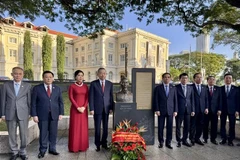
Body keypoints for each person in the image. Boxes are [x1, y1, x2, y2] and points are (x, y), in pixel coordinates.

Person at [31, 71, 64, 158]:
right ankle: (42, 150)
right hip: (42, 115)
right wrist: (34, 115)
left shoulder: (57, 88)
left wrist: (61, 113)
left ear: (53, 78)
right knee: (43, 133)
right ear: (43, 78)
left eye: (50, 77)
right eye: (46, 77)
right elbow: (33, 103)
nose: (48, 78)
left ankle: (52, 149)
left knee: (53, 133)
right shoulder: (37, 88)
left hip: (54, 114)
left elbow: (60, 102)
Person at [1, 67, 31, 160]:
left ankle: (23, 151)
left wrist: (30, 113)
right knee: (12, 134)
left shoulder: (27, 86)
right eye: (15, 73)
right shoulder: (5, 85)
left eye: (20, 74)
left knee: (24, 134)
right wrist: (2, 114)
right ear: (12, 74)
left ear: (23, 75)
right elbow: (2, 100)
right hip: (10, 113)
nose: (17, 75)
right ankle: (14, 152)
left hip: (23, 113)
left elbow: (29, 100)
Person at [89, 68, 114, 152]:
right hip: (97, 109)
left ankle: (104, 143)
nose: (102, 75)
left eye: (104, 73)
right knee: (97, 128)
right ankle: (97, 144)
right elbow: (91, 97)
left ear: (106, 74)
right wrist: (91, 108)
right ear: (98, 74)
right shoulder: (93, 84)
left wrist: (111, 107)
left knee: (106, 128)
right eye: (101, 73)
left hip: (106, 109)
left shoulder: (110, 84)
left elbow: (111, 97)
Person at [154, 73, 178, 149]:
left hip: (171, 110)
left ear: (170, 79)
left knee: (170, 127)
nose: (167, 79)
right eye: (165, 77)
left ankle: (169, 142)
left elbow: (175, 100)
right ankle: (161, 142)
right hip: (161, 110)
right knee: (160, 127)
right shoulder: (158, 88)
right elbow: (156, 100)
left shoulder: (173, 88)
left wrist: (175, 110)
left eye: (168, 77)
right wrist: (157, 109)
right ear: (162, 78)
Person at [68, 70, 89, 152]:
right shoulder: (72, 86)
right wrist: (77, 107)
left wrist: (84, 107)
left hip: (84, 110)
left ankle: (82, 146)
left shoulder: (86, 86)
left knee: (83, 128)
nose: (80, 77)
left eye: (82, 75)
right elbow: (71, 97)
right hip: (75, 109)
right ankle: (74, 147)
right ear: (75, 77)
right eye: (79, 75)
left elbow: (87, 98)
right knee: (75, 128)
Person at [175, 73, 195, 148]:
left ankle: (184, 140)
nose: (184, 79)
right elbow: (175, 100)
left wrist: (193, 110)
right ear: (180, 79)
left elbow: (192, 99)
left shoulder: (190, 88)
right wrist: (175, 110)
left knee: (187, 126)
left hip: (188, 110)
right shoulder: (176, 87)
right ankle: (178, 141)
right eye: (183, 78)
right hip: (179, 110)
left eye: (186, 78)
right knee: (178, 126)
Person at [220, 73, 239, 146]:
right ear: (224, 79)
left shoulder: (236, 89)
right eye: (226, 78)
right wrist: (219, 109)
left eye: (229, 78)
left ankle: (231, 140)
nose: (228, 79)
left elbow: (238, 100)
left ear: (232, 79)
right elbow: (219, 100)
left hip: (233, 110)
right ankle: (223, 139)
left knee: (232, 125)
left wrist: (237, 110)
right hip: (223, 110)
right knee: (222, 125)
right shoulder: (220, 88)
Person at [190, 73, 209, 146]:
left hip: (202, 109)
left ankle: (197, 138)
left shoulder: (204, 87)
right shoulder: (190, 87)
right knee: (193, 125)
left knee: (200, 125)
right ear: (194, 79)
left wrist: (206, 107)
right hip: (194, 110)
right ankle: (192, 139)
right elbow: (190, 99)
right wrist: (192, 109)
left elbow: (206, 99)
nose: (199, 79)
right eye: (197, 77)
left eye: (201, 77)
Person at [203, 76, 222, 145]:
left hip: (215, 110)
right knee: (205, 125)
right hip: (206, 110)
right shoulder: (204, 88)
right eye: (210, 79)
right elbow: (203, 99)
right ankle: (205, 138)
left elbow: (220, 100)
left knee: (214, 125)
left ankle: (213, 139)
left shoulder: (218, 89)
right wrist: (205, 107)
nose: (212, 81)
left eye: (213, 79)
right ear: (207, 81)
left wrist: (219, 109)